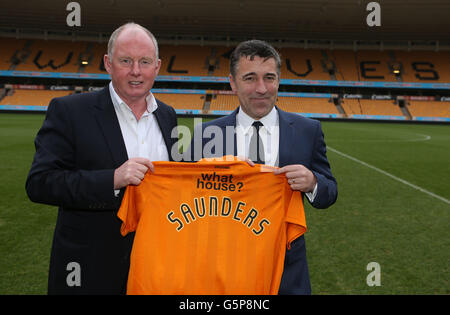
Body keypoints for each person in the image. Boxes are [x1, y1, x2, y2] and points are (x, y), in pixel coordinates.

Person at [25, 22, 178, 294]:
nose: (135, 71)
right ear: (108, 63)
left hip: (156, 265)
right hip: (90, 270)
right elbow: (40, 183)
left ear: (157, 66)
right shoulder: (70, 111)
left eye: (144, 62)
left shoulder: (167, 116)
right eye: (125, 61)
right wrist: (113, 179)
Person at [189, 39, 337, 294]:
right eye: (250, 78)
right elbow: (188, 199)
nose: (261, 88)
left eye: (269, 78)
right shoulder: (207, 134)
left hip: (287, 271)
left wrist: (313, 183)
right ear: (233, 83)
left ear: (278, 81)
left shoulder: (307, 130)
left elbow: (329, 192)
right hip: (223, 268)